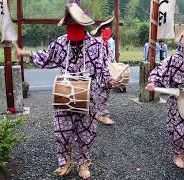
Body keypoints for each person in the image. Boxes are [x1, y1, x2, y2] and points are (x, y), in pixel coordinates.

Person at [15, 3, 118, 179]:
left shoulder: (95, 44)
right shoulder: (61, 42)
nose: (72, 27)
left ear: (83, 26)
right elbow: (46, 56)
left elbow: (103, 69)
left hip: (88, 97)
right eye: (70, 24)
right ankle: (65, 161)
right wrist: (25, 53)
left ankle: (84, 163)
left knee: (86, 133)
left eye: (75, 24)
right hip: (64, 94)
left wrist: (110, 79)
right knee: (62, 132)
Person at [146, 24, 184, 169]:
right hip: (178, 99)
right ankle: (177, 154)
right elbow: (159, 70)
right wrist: (152, 82)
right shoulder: (173, 59)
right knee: (179, 130)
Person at [91, 16, 116, 125]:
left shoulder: (106, 44)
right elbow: (99, 63)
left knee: (105, 93)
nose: (110, 33)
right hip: (97, 75)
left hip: (106, 74)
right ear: (102, 30)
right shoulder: (97, 43)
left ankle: (99, 111)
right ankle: (100, 114)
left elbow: (110, 59)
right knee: (99, 93)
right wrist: (107, 75)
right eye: (108, 30)